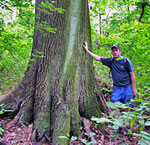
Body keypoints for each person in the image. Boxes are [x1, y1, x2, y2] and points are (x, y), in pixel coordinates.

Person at [83, 41, 137, 107]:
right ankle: (118, 117)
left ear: (120, 51)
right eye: (113, 51)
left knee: (128, 105)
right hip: (117, 87)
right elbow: (98, 58)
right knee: (114, 101)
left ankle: (127, 116)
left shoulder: (125, 61)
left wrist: (134, 89)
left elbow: (132, 75)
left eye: (116, 50)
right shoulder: (111, 61)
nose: (115, 52)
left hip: (127, 87)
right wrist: (87, 50)